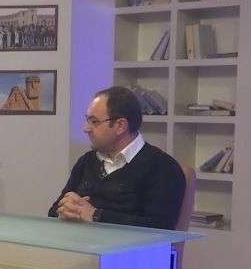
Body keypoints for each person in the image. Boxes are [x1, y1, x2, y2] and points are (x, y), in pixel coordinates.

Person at [48, 86, 185, 229]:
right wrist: (65, 210)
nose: (86, 129)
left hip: (127, 244)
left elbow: (160, 227)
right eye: (88, 121)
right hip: (79, 241)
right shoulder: (87, 161)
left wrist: (96, 215)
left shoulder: (163, 167)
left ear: (120, 126)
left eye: (94, 122)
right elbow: (53, 213)